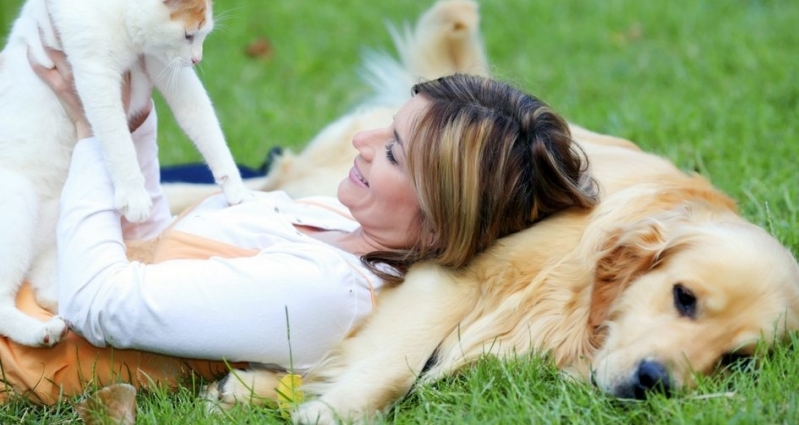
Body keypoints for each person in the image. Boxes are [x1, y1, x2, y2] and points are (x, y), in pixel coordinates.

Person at [0, 46, 597, 403]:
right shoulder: (327, 218)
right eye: (387, 127)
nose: (362, 142)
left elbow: (101, 302)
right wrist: (133, 120)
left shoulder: (321, 293)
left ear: (440, 228)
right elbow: (146, 244)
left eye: (392, 153)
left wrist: (92, 136)